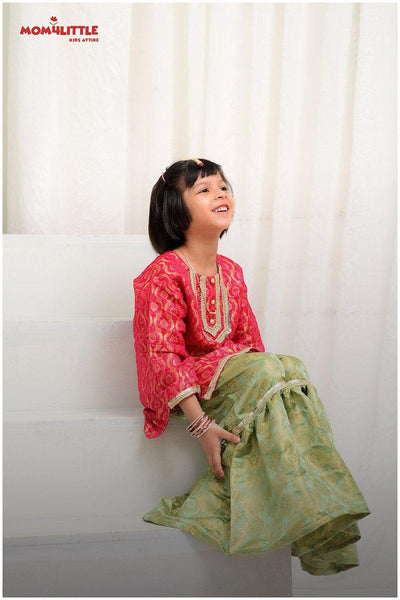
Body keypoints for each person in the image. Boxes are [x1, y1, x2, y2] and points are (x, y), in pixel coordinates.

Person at [132, 157, 371, 576]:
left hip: (234, 377)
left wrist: (270, 378)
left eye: (223, 186)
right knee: (269, 370)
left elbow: (250, 344)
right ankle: (306, 509)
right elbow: (162, 354)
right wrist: (201, 425)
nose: (220, 194)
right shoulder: (163, 273)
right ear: (175, 209)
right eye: (204, 189)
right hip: (186, 389)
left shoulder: (232, 271)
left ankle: (317, 511)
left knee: (289, 367)